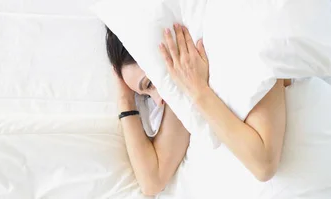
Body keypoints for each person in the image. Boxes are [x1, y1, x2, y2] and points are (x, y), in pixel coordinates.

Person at [106, 24, 290, 196]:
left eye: (151, 84)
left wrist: (199, 91)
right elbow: (152, 180)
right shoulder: (181, 87)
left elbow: (264, 164)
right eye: (146, 96)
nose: (158, 101)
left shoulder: (236, 38)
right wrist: (125, 101)